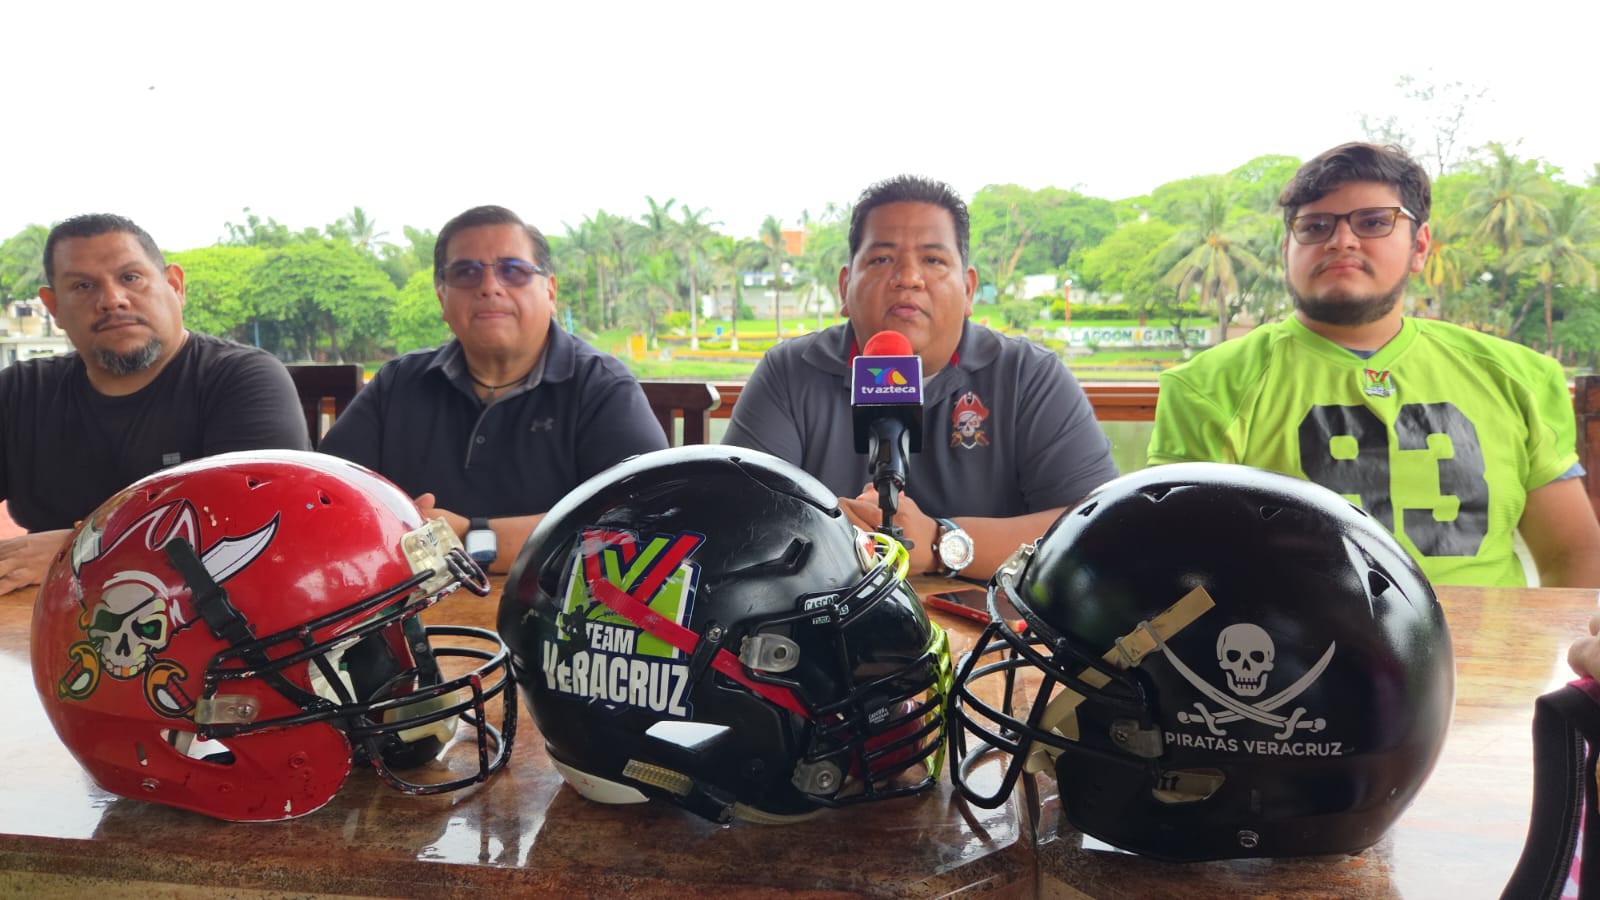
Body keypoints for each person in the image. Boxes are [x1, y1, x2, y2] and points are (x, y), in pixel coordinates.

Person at [1148, 142, 1600, 588]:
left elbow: (1572, 553)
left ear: (1419, 246)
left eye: (1373, 222)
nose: (1341, 240)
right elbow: (1184, 567)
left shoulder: (1518, 376)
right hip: (1295, 637)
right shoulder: (1208, 386)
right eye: (1315, 226)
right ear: (1287, 249)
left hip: (1494, 635)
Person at [722, 175, 1119, 580]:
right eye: (881, 259)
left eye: (933, 260)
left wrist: (940, 542)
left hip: (984, 616)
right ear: (845, 287)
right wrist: (832, 533)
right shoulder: (789, 373)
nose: (908, 278)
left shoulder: (1030, 377)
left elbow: (1100, 530)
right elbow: (733, 520)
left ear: (968, 289)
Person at [319, 205, 666, 573]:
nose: (489, 287)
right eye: (465, 273)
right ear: (442, 298)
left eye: (513, 270)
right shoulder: (397, 383)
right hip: (411, 602)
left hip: (552, 604)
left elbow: (648, 522)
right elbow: (322, 499)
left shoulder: (602, 387)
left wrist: (466, 539)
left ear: (550, 292)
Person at [0, 213, 309, 593]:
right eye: (83, 286)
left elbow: (257, 529)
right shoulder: (21, 392)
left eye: (130, 277)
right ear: (54, 308)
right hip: (39, 614)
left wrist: (81, 551)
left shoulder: (241, 380)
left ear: (175, 286)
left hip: (210, 613)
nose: (111, 300)